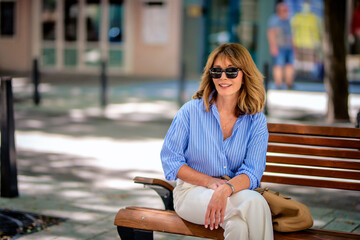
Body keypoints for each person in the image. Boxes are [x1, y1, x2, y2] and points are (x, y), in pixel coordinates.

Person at [161, 43, 273, 240]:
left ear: (244, 74)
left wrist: (225, 190)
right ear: (210, 75)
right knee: (254, 203)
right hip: (190, 193)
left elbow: (253, 172)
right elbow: (171, 161)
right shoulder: (190, 112)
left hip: (234, 192)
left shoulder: (256, 120)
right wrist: (211, 183)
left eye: (231, 71)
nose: (223, 77)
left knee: (238, 225)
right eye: (217, 71)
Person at [267, 2, 294, 89]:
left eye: (286, 10)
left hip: (289, 47)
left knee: (289, 65)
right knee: (278, 65)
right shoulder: (274, 20)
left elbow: (292, 34)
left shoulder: (289, 20)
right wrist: (273, 46)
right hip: (279, 47)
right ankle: (278, 84)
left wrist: (294, 46)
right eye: (284, 10)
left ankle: (289, 84)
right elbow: (271, 33)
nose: (286, 11)